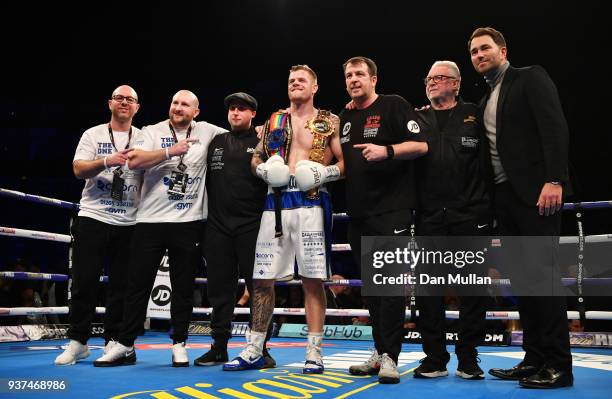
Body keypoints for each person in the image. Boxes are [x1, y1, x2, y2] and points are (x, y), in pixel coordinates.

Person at [468, 27, 573, 388]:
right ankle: (534, 358)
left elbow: (554, 128)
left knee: (543, 279)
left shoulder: (529, 77)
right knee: (525, 283)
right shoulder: (485, 100)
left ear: (502, 50)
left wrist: (555, 179)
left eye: (485, 49)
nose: (479, 55)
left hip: (536, 193)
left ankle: (559, 364)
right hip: (505, 199)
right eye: (474, 52)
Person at [223, 65, 344, 374]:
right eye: (291, 80)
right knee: (262, 278)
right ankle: (254, 349)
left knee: (312, 280)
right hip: (274, 201)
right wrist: (263, 170)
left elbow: (345, 162)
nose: (295, 84)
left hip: (312, 201)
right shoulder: (273, 121)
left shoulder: (330, 121)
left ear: (314, 87)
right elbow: (256, 158)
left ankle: (314, 353)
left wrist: (326, 172)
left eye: (301, 80)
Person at [94, 90, 227, 367]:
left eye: (185, 104)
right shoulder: (151, 131)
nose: (178, 107)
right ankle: (126, 344)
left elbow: (241, 129)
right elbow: (134, 161)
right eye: (175, 102)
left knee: (182, 287)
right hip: (149, 221)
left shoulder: (207, 130)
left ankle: (179, 343)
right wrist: (170, 151)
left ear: (196, 111)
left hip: (188, 223)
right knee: (137, 285)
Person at [340, 56, 428, 384]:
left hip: (392, 211)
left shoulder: (393, 105)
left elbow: (421, 145)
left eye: (360, 74)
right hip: (358, 213)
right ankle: (379, 350)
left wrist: (386, 151)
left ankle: (392, 355)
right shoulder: (345, 116)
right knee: (372, 289)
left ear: (374, 78)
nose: (353, 79)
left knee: (390, 286)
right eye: (349, 75)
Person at [412, 61, 490, 379]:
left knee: (472, 290)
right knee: (429, 290)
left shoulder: (476, 114)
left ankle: (468, 358)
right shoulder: (416, 118)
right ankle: (434, 358)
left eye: (439, 78)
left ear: (456, 84)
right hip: (430, 217)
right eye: (429, 78)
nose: (432, 83)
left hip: (470, 214)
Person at [55, 85, 142, 365]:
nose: (124, 102)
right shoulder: (92, 134)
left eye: (130, 99)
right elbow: (78, 169)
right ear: (110, 104)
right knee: (84, 282)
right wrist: (108, 160)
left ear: (137, 107)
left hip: (129, 220)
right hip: (93, 216)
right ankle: (78, 341)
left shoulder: (144, 137)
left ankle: (113, 341)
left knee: (121, 286)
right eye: (119, 98)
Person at [193, 92, 275, 368]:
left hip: (253, 226)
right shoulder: (216, 141)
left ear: (253, 113)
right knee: (219, 289)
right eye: (231, 109)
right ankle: (219, 347)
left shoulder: (263, 142)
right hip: (217, 226)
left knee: (259, 288)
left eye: (241, 109)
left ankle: (260, 347)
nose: (235, 113)